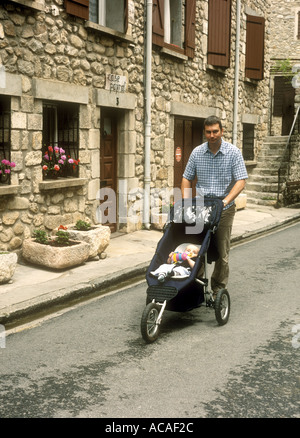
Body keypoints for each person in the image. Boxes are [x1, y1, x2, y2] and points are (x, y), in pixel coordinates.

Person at [181, 115, 248, 296]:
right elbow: (186, 178)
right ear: (205, 132)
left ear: (222, 131)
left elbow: (241, 180)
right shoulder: (197, 153)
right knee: (197, 247)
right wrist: (187, 202)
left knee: (221, 250)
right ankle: (196, 283)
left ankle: (218, 288)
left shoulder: (233, 152)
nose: (212, 135)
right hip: (201, 207)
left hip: (224, 208)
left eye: (215, 131)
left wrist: (226, 200)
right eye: (209, 132)